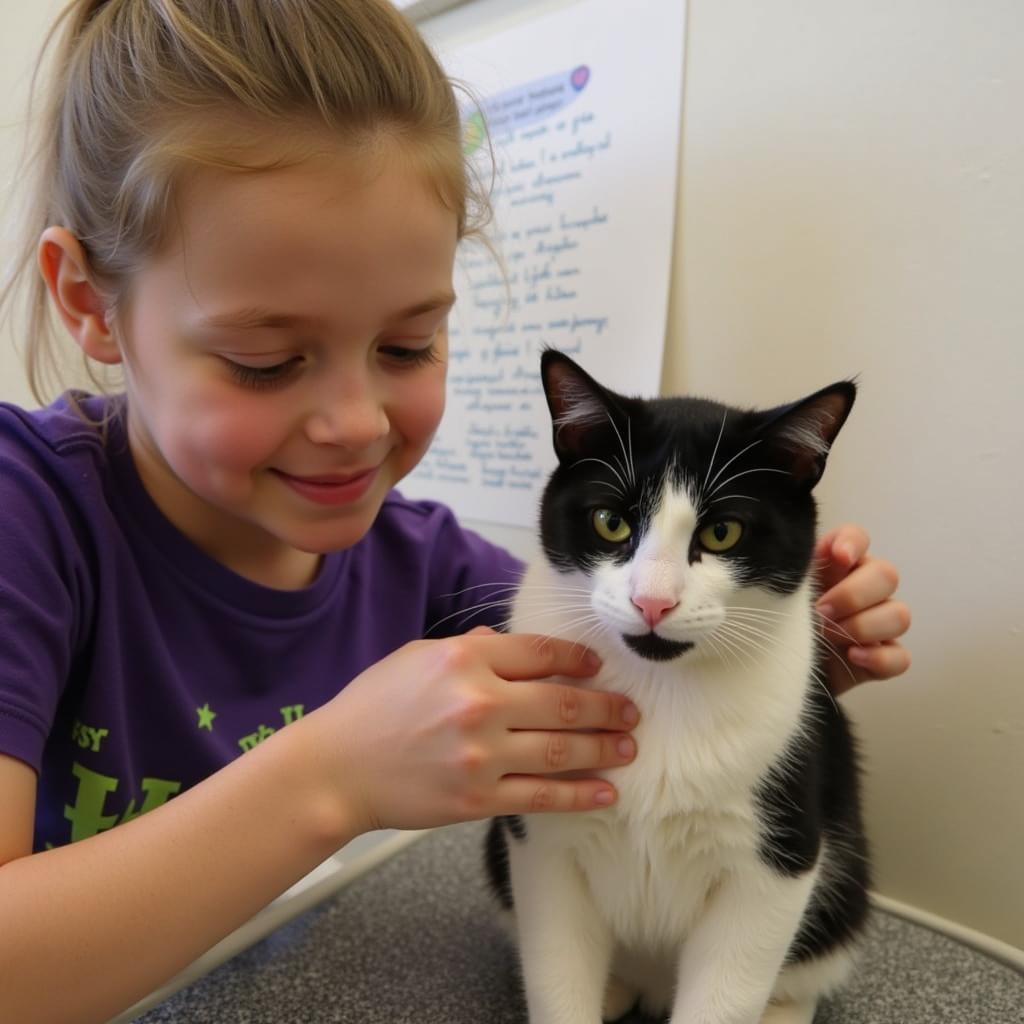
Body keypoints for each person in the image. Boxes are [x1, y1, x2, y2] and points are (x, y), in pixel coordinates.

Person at [0, 2, 911, 1021]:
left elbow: (622, 701)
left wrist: (763, 659)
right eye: (266, 360)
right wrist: (331, 781)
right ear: (89, 302)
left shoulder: (434, 570)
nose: (353, 424)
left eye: (405, 347)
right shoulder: (23, 519)